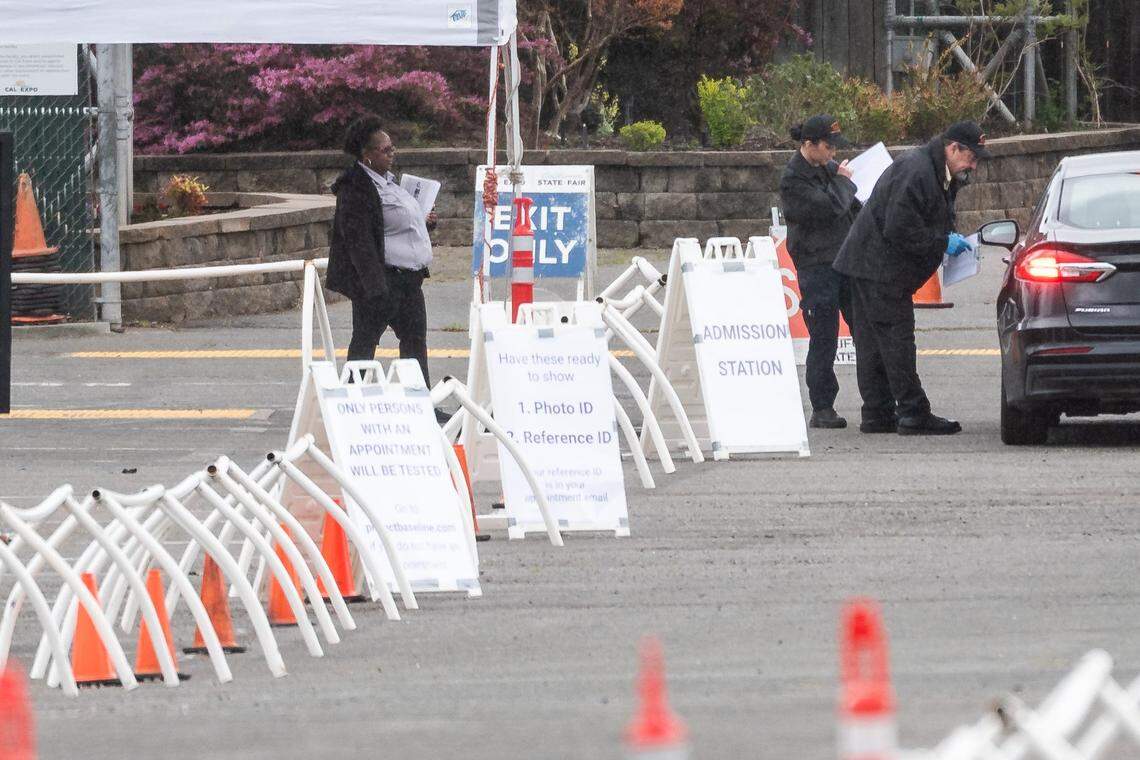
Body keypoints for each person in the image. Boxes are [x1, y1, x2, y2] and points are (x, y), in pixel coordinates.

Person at [832, 120, 988, 435]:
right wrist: (942, 242)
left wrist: (944, 235)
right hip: (879, 267)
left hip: (870, 264)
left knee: (874, 341)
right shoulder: (917, 170)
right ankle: (913, 412)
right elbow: (899, 226)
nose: (973, 165)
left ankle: (877, 412)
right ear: (952, 147)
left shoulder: (937, 171)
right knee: (896, 339)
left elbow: (923, 216)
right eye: (971, 157)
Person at [325, 115, 442, 401]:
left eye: (392, 147)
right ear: (367, 156)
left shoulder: (388, 183)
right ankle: (350, 403)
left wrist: (424, 221)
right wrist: (375, 288)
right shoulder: (355, 188)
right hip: (381, 281)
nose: (393, 153)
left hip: (409, 280)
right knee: (365, 343)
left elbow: (391, 224)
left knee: (414, 342)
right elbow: (358, 241)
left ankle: (420, 402)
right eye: (385, 150)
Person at [779, 114, 861, 429]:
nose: (832, 153)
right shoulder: (794, 179)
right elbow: (827, 208)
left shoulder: (828, 170)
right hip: (816, 265)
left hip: (844, 260)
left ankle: (877, 400)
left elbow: (851, 207)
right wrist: (843, 181)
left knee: (863, 331)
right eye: (827, 146)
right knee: (824, 336)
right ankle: (822, 406)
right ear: (809, 144)